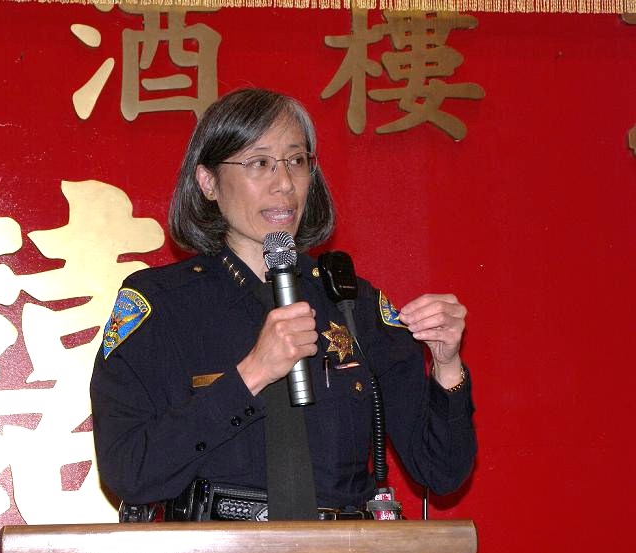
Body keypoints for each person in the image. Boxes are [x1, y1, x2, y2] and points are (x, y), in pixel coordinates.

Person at [90, 88, 476, 515]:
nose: (285, 184)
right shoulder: (160, 304)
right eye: (259, 163)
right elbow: (128, 471)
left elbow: (441, 471)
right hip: (220, 543)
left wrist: (447, 365)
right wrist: (252, 374)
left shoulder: (352, 303)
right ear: (208, 182)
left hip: (343, 542)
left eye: (296, 161)